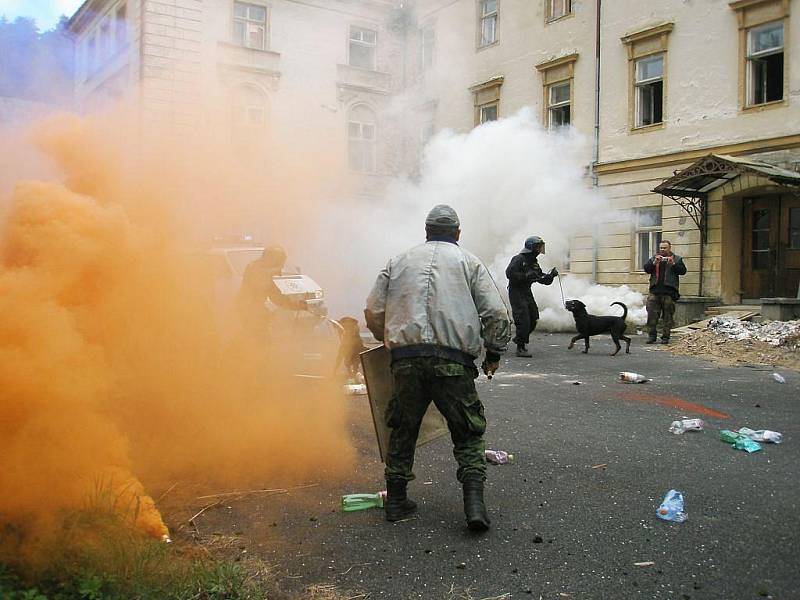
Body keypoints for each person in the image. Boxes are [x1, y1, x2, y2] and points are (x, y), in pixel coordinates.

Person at [364, 205, 510, 531]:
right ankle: (474, 506)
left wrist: (387, 340)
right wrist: (494, 352)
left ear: (426, 231)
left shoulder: (398, 261)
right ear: (457, 233)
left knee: (402, 430)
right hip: (454, 364)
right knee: (468, 433)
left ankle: (397, 502)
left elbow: (373, 310)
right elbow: (496, 314)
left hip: (406, 362)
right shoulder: (469, 262)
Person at [505, 236, 558, 357]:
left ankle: (520, 338)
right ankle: (521, 347)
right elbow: (509, 273)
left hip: (526, 291)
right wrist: (525, 276)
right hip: (516, 291)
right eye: (538, 247)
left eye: (540, 247)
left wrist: (550, 276)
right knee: (523, 318)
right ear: (531, 247)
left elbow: (540, 278)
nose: (539, 249)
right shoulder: (519, 259)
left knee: (533, 317)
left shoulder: (533, 262)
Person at [237, 245, 288, 336]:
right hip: (250, 309)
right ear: (271, 258)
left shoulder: (272, 269)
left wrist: (295, 304)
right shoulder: (255, 267)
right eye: (279, 260)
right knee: (252, 337)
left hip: (261, 310)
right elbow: (262, 287)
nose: (282, 264)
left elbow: (275, 294)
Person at [643, 240, 687, 344]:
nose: (662, 250)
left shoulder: (677, 259)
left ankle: (665, 337)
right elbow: (647, 269)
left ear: (669, 248)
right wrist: (654, 263)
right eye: (661, 248)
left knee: (668, 317)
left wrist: (674, 264)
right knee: (652, 316)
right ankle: (651, 336)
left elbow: (683, 271)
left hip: (669, 293)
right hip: (655, 292)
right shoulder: (654, 258)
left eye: (665, 248)